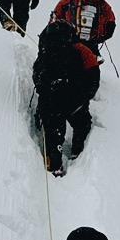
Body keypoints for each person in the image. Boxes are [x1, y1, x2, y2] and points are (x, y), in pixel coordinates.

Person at [32, 18, 100, 173]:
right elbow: (93, 77)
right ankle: (78, 153)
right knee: (82, 125)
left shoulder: (46, 49)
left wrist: (45, 93)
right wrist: (83, 97)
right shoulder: (81, 50)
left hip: (50, 99)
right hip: (74, 99)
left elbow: (37, 75)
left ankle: (54, 162)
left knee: (53, 131)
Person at [50, 0, 116, 52]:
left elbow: (53, 23)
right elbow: (110, 23)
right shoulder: (100, 3)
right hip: (91, 49)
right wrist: (99, 38)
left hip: (67, 48)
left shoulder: (66, 1)